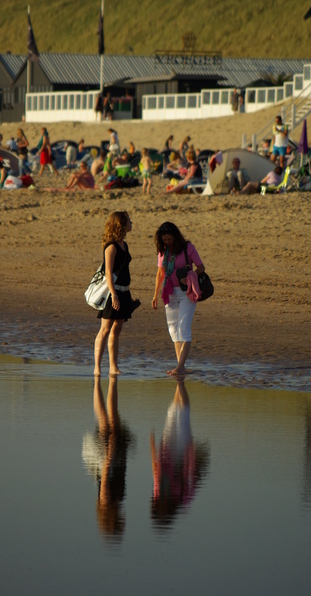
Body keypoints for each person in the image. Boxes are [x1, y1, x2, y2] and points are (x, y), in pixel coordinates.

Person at [150, 377, 210, 529]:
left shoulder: (160, 496)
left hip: (167, 450)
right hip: (182, 452)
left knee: (174, 410)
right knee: (182, 412)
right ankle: (180, 378)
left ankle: (180, 376)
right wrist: (193, 454)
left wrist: (152, 446)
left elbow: (156, 472)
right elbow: (194, 477)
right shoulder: (183, 499)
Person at [82, 377, 134, 539]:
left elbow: (105, 478)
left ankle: (99, 384)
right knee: (110, 417)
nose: (124, 523)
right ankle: (103, 383)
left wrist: (109, 454)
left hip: (105, 458)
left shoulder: (107, 500)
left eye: (120, 525)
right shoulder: (112, 503)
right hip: (108, 458)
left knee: (105, 420)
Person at [152, 222, 205, 376]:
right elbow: (160, 273)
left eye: (169, 239)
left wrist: (190, 276)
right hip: (169, 293)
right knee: (173, 330)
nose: (167, 242)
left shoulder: (188, 247)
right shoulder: (163, 251)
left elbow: (201, 267)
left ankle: (180, 367)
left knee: (183, 329)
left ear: (175, 236)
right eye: (165, 240)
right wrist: (155, 295)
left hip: (186, 292)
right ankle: (180, 365)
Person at [94, 211, 140, 376]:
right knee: (105, 329)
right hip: (112, 294)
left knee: (117, 329)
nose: (131, 223)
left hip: (124, 291)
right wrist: (114, 295)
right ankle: (97, 368)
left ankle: (113, 367)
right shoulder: (111, 247)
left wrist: (127, 294)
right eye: (128, 221)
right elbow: (108, 272)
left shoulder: (124, 245)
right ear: (121, 225)